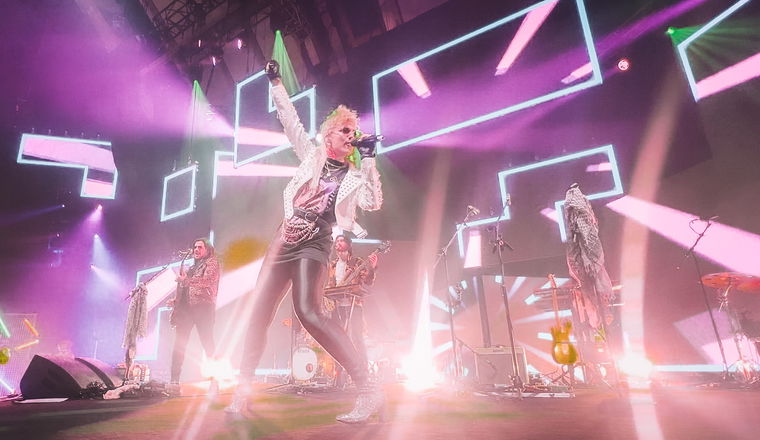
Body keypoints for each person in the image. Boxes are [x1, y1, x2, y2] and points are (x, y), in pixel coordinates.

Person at [225, 60, 384, 424]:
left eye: (354, 131)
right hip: (284, 237)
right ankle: (242, 389)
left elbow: (373, 202)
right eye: (345, 130)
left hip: (316, 241)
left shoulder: (353, 174)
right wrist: (276, 82)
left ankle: (368, 389)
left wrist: (370, 160)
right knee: (258, 311)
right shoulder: (311, 155)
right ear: (328, 136)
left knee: (309, 312)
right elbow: (290, 120)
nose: (351, 135)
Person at [168, 238, 220, 395]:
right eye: (195, 247)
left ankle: (214, 381)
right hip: (186, 311)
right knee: (179, 345)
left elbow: (207, 281)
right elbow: (186, 287)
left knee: (208, 344)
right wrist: (176, 301)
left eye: (200, 247)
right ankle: (174, 381)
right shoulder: (191, 267)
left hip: (203, 309)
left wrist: (186, 280)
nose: (196, 249)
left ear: (207, 249)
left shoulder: (212, 262)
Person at [324, 235, 378, 387]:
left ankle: (363, 373)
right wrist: (327, 297)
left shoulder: (357, 262)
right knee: (338, 340)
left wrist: (372, 268)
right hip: (337, 307)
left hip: (354, 305)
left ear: (348, 245)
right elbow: (329, 285)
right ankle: (338, 374)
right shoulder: (332, 265)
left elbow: (368, 281)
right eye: (337, 241)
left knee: (357, 338)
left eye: (341, 241)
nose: (338, 243)